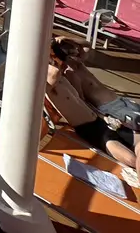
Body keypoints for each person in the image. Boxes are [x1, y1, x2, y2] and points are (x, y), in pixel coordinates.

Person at [49, 39, 140, 183]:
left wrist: (66, 39)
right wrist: (51, 52)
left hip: (101, 119)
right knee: (131, 159)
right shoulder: (54, 81)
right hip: (91, 128)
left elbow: (86, 46)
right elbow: (54, 74)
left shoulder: (70, 70)